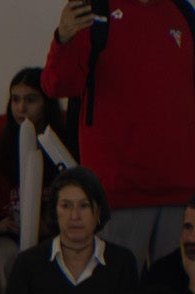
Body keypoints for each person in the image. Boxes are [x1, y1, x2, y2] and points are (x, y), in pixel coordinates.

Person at [41, 0, 195, 266]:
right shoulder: (96, 10)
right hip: (118, 194)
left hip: (182, 194)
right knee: (117, 288)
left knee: (179, 289)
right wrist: (63, 38)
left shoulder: (182, 11)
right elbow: (56, 85)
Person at [0, 167, 140, 294]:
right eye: (66, 206)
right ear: (55, 212)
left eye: (84, 206)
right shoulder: (29, 262)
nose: (74, 216)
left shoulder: (121, 261)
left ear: (98, 212)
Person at [0, 68, 67, 294]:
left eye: (30, 100)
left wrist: (51, 226)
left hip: (55, 234)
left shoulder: (63, 145)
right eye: (15, 100)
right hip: (10, 235)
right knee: (4, 262)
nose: (21, 108)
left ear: (46, 103)